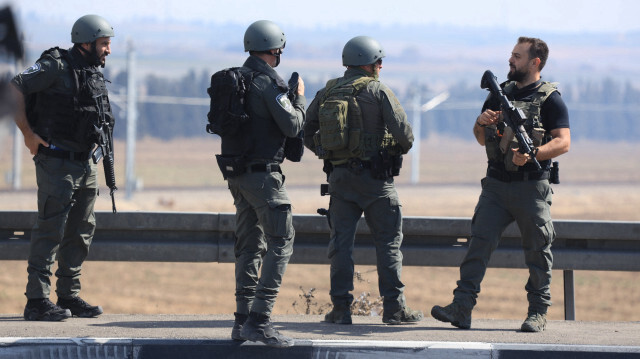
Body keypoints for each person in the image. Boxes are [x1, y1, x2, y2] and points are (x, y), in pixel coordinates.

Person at [431, 36, 570, 332]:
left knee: (537, 250)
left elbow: (563, 142)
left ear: (535, 62)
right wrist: (481, 122)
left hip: (531, 187)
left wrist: (534, 153)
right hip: (496, 185)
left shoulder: (550, 99)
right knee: (478, 245)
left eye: (517, 57)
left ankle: (537, 312)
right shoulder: (499, 93)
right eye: (511, 55)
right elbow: (481, 138)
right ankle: (461, 307)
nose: (511, 61)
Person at [303, 36, 422, 325]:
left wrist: (329, 153)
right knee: (389, 244)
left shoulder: (328, 91)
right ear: (372, 65)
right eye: (379, 61)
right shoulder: (378, 91)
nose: (381, 66)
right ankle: (394, 310)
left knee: (341, 245)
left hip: (340, 181)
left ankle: (341, 310)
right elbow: (406, 138)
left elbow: (306, 133)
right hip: (376, 181)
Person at [11, 14, 116, 321]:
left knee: (82, 230)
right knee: (51, 227)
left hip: (85, 162)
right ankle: (37, 300)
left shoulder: (92, 71)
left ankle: (68, 295)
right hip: (56, 162)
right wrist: (28, 135)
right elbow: (15, 87)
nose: (108, 50)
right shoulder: (55, 66)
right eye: (104, 44)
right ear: (86, 42)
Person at [217, 20, 306, 348]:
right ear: (275, 49)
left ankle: (242, 320)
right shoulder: (268, 84)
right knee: (282, 239)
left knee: (250, 244)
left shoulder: (238, 78)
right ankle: (260, 319)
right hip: (263, 177)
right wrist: (298, 99)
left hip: (237, 175)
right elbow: (294, 126)